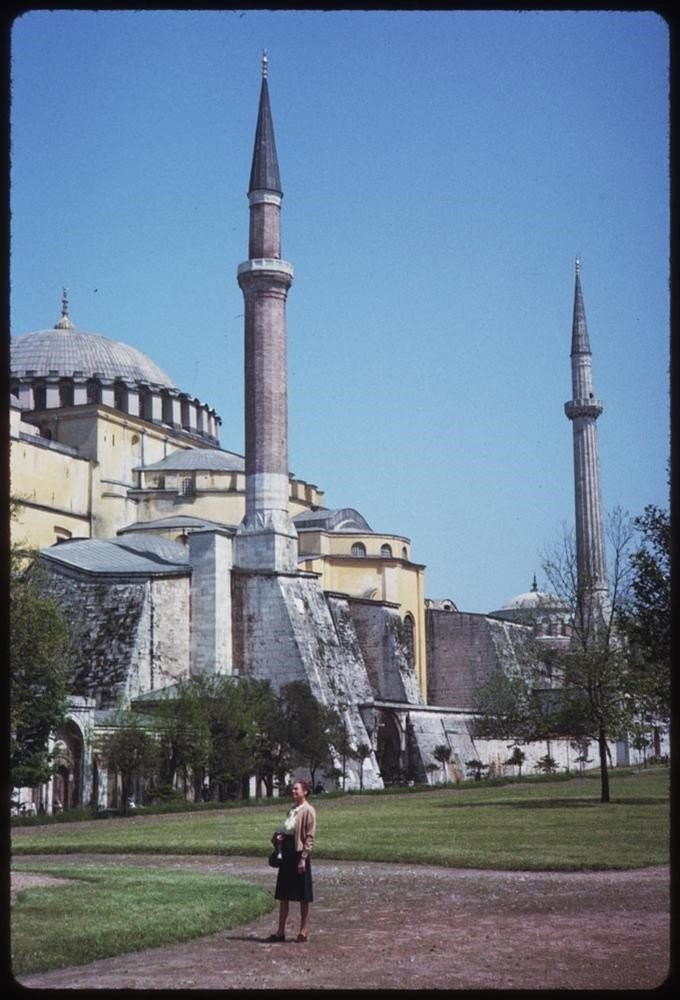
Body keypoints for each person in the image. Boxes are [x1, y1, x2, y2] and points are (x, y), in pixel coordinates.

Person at [267, 779, 316, 943]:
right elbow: (288, 829)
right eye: (292, 789)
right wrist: (279, 837)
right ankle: (280, 931)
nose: (293, 791)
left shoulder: (308, 810)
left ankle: (303, 930)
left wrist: (303, 858)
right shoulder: (292, 810)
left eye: (296, 789)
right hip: (287, 853)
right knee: (284, 894)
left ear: (305, 792)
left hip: (298, 853)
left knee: (303, 894)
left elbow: (309, 837)